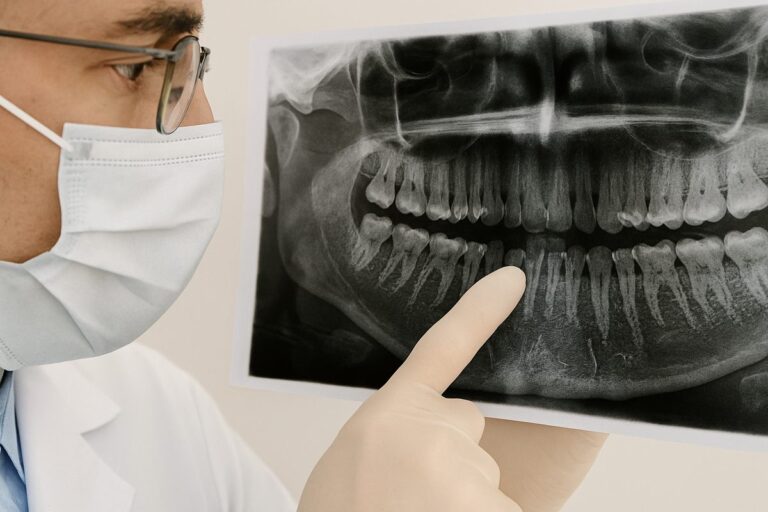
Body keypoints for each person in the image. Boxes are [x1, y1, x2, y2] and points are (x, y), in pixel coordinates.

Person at [0, 0, 607, 510]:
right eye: (136, 66)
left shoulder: (155, 414)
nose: (201, 124)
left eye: (190, 62)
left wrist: (506, 483)